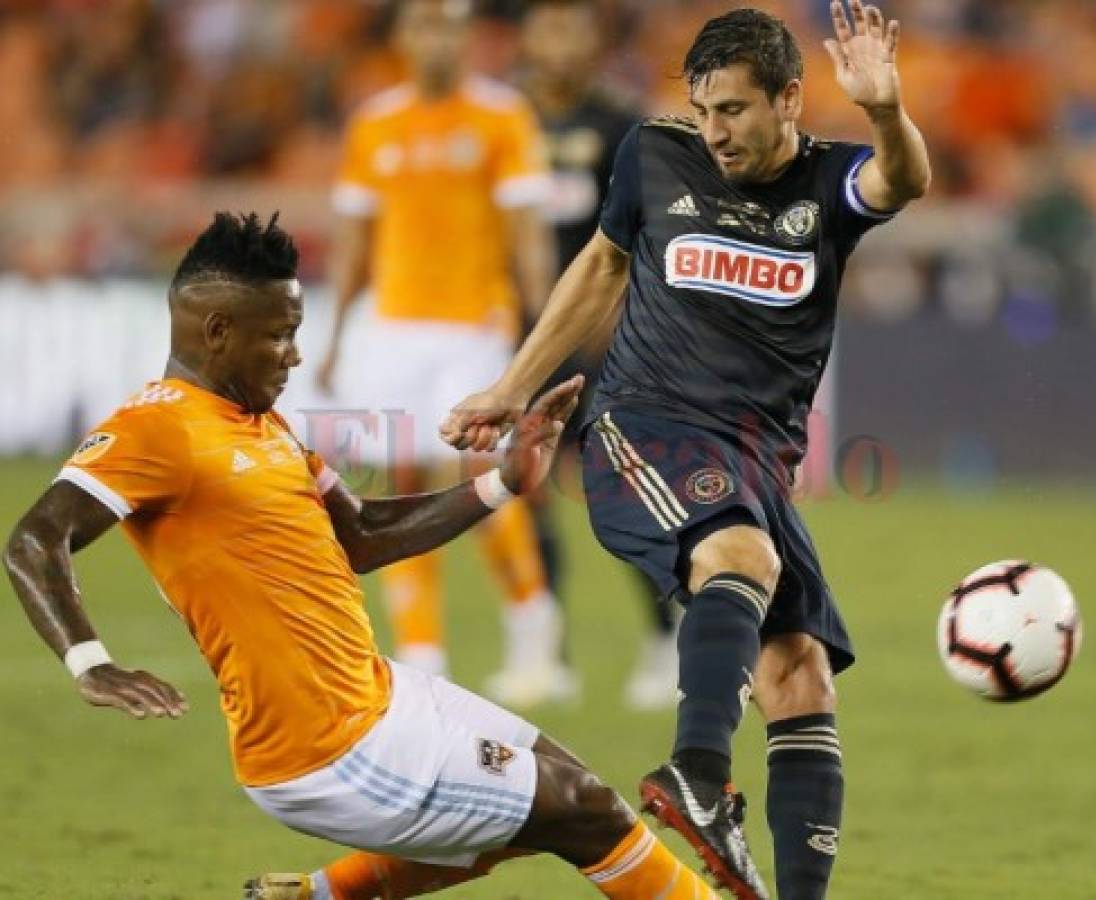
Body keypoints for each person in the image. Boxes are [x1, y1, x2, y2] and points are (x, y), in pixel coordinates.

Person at [3, 212, 723, 900]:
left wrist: (503, 481)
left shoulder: (264, 424)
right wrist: (90, 662)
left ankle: (318, 895)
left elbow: (364, 535)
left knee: (558, 789)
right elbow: (35, 540)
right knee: (586, 809)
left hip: (375, 693)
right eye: (280, 336)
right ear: (217, 331)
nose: (295, 354)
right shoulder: (157, 427)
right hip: (326, 752)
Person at [441, 4, 932, 899]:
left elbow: (902, 182)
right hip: (644, 420)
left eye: (735, 111)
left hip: (758, 456)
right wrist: (511, 390)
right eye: (703, 109)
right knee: (736, 555)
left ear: (789, 99)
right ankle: (697, 775)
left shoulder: (828, 184)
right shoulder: (652, 154)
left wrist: (885, 110)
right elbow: (601, 267)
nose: (714, 132)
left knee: (799, 672)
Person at [311, 0, 571, 705]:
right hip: (393, 328)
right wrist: (334, 335)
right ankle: (421, 652)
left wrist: (540, 327)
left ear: (467, 39)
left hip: (473, 325)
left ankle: (532, 630)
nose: (437, 39)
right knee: (397, 482)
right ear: (401, 37)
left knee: (481, 473)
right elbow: (354, 240)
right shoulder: (374, 124)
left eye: (449, 26)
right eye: (424, 24)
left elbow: (525, 231)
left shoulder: (501, 117)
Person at [516, 0, 679, 711]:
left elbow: (649, 232)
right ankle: (541, 645)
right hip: (524, 336)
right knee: (521, 494)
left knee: (617, 487)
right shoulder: (503, 120)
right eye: (548, 28)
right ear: (527, 38)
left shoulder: (621, 125)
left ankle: (664, 637)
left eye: (572, 29)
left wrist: (618, 320)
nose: (560, 43)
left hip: (604, 335)